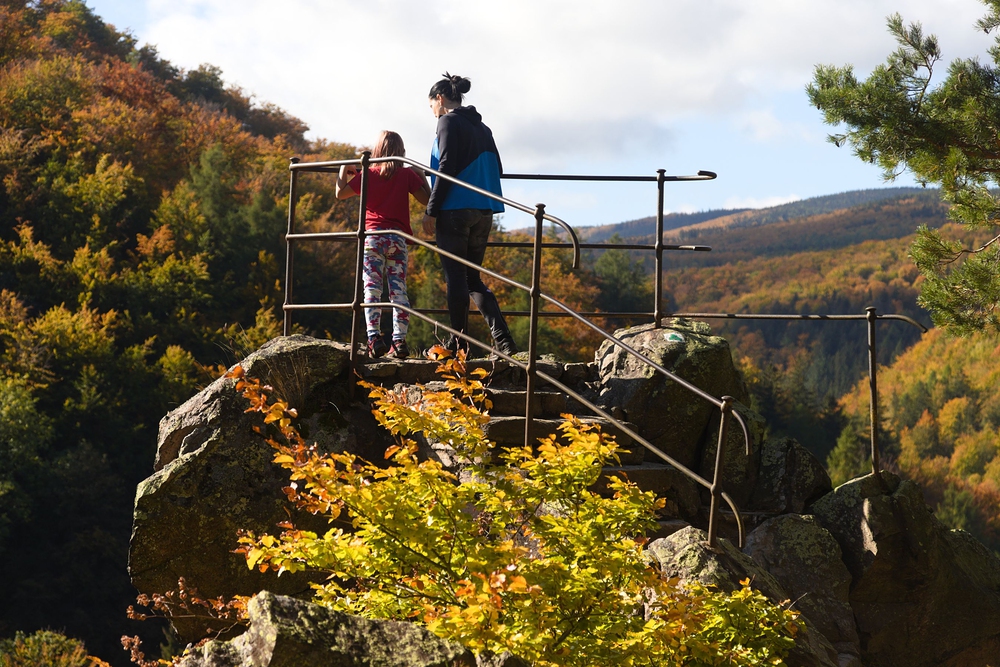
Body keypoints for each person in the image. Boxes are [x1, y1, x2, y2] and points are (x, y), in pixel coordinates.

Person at [420, 72, 518, 357]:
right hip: (484, 211)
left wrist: (431, 209)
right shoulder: (483, 128)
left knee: (456, 279)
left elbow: (446, 165)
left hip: (454, 211)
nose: (432, 112)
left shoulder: (447, 121)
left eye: (430, 106)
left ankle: (458, 344)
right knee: (473, 279)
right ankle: (504, 342)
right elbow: (497, 168)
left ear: (439, 99)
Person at [337, 130, 430, 359]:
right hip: (396, 240)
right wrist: (419, 173)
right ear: (401, 152)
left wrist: (343, 169)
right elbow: (429, 200)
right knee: (398, 290)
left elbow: (340, 194)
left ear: (376, 150)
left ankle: (374, 338)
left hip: (373, 238)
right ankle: (399, 341)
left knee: (372, 288)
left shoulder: (368, 174)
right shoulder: (406, 175)